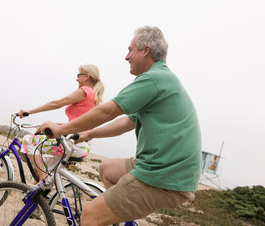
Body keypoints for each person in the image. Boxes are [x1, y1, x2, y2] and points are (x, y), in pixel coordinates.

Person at [37, 26, 202, 226]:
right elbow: (127, 122)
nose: (126, 56)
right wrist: (88, 134)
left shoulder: (153, 79)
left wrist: (61, 129)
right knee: (107, 169)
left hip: (163, 173)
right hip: (163, 167)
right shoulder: (162, 79)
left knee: (90, 216)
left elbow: (107, 111)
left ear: (145, 51)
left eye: (130, 49)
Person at [19, 64, 104, 183]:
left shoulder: (85, 91)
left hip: (73, 143)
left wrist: (29, 111)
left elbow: (56, 104)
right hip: (82, 144)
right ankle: (42, 190)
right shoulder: (94, 95)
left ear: (87, 77)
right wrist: (56, 125)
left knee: (28, 140)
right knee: (41, 167)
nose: (76, 79)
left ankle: (43, 181)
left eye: (78, 75)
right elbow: (77, 123)